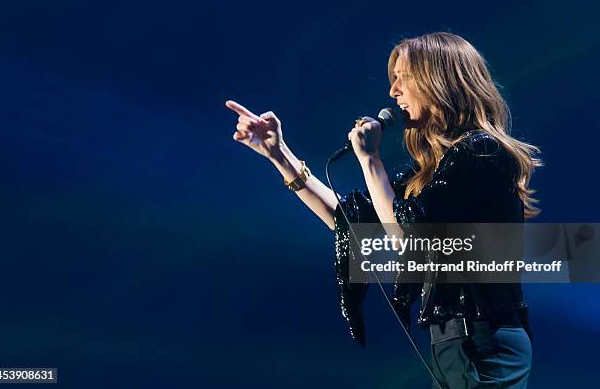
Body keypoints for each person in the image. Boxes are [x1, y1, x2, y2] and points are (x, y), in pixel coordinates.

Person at [225, 32, 542, 389]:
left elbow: (408, 236)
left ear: (439, 80)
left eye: (403, 78)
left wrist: (371, 161)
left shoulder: (483, 153)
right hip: (454, 343)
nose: (393, 92)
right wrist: (279, 156)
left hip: (485, 344)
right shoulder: (435, 169)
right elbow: (352, 223)